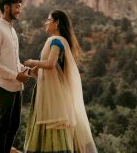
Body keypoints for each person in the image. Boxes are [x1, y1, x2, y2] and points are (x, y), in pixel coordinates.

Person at [23, 10, 97, 153]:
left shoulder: (56, 41)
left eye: (48, 19)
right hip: (51, 93)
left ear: (56, 23)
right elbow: (45, 71)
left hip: (52, 96)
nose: (46, 22)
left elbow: (50, 64)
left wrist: (33, 62)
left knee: (53, 126)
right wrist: (26, 72)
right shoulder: (59, 41)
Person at [0, 0, 30, 153]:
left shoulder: (11, 29)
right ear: (6, 7)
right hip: (2, 84)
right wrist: (15, 75)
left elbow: (12, 59)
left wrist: (22, 69)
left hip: (15, 84)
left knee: (14, 124)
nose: (19, 10)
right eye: (16, 7)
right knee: (3, 124)